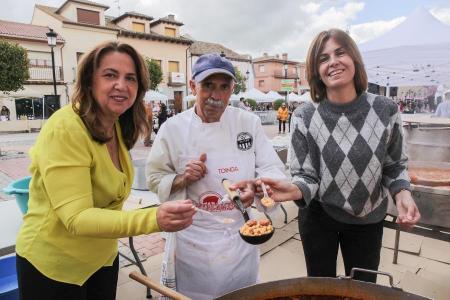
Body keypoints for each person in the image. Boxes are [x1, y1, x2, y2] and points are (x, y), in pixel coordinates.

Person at [15, 41, 196, 300]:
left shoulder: (118, 126)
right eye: (110, 75)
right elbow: (76, 217)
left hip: (102, 260)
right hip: (54, 267)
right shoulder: (66, 127)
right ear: (90, 81)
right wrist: (153, 219)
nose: (122, 85)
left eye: (130, 78)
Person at [257, 29, 420, 283]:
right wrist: (293, 190)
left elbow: (395, 164)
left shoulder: (386, 110)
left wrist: (403, 193)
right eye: (323, 58)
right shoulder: (304, 116)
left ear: (354, 58)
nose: (332, 61)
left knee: (364, 288)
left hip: (369, 217)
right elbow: (305, 174)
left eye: (339, 53)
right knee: (321, 289)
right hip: (319, 216)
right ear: (316, 70)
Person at [146, 53, 286, 299]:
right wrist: (182, 178)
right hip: (192, 239)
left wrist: (255, 187)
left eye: (224, 87)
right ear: (193, 86)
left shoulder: (248, 123)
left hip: (239, 236)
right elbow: (155, 178)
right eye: (208, 85)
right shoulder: (173, 129)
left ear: (233, 88)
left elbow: (271, 169)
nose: (216, 95)